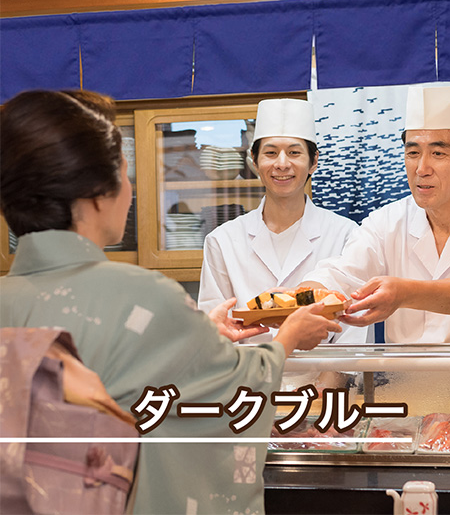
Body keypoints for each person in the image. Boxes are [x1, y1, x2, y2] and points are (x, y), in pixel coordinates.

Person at [0, 89, 341, 515]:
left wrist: (199, 335)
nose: (130, 188)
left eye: (294, 152)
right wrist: (285, 341)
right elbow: (232, 390)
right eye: (124, 173)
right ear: (96, 192)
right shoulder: (144, 296)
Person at [300, 84, 450, 343]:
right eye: (413, 153)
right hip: (405, 383)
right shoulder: (386, 222)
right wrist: (294, 299)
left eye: (438, 153)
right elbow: (342, 274)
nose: (422, 168)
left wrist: (404, 293)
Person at [198, 97, 372, 344]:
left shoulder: (346, 235)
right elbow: (213, 334)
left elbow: (354, 332)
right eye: (270, 153)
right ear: (255, 161)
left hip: (325, 377)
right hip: (248, 379)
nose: (282, 164)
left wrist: (325, 384)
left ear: (313, 162)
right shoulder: (222, 241)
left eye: (294, 152)